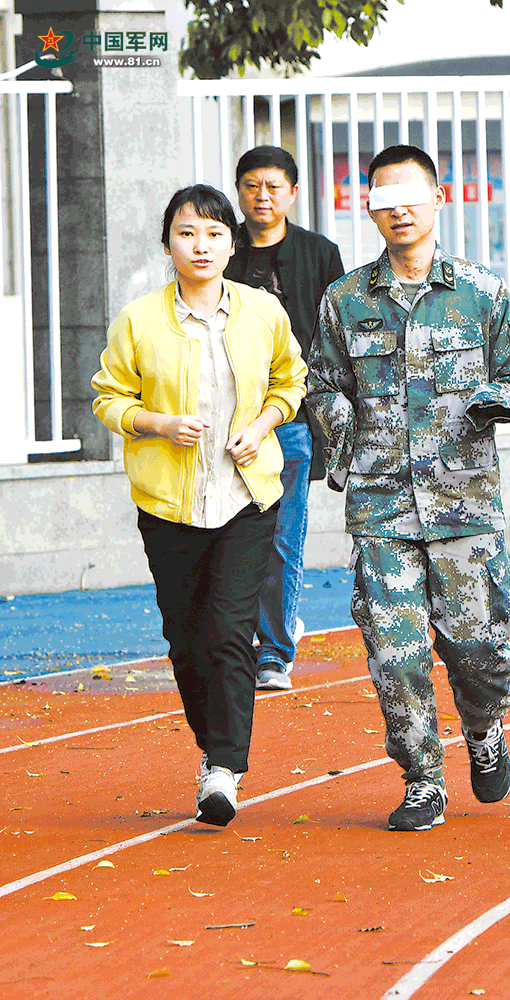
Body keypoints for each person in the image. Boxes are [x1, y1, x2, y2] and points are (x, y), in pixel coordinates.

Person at [308, 144, 510, 832]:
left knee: (478, 650)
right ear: (368, 208)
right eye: (383, 199)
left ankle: (485, 726)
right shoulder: (346, 300)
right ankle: (421, 779)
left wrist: (494, 401)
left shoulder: (481, 291)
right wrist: (345, 432)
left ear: (438, 199)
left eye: (409, 196)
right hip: (381, 505)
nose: (398, 211)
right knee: (395, 652)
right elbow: (322, 384)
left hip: (463, 503)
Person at [92, 184, 307, 826]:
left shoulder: (263, 312)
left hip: (246, 497)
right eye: (187, 233)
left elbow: (290, 380)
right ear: (168, 245)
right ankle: (212, 748)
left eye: (215, 233)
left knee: (228, 632)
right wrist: (158, 423)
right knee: (186, 640)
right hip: (169, 504)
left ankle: (225, 769)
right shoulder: (138, 321)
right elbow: (108, 397)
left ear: (232, 243)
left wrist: (263, 424)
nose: (201, 245)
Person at [224, 146, 345, 691]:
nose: (262, 196)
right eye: (252, 186)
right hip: (226, 419)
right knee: (226, 536)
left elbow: (337, 335)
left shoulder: (319, 253)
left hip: (290, 417)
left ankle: (274, 651)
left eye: (274, 186)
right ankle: (239, 638)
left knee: (281, 534)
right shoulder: (220, 250)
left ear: (293, 193)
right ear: (239, 191)